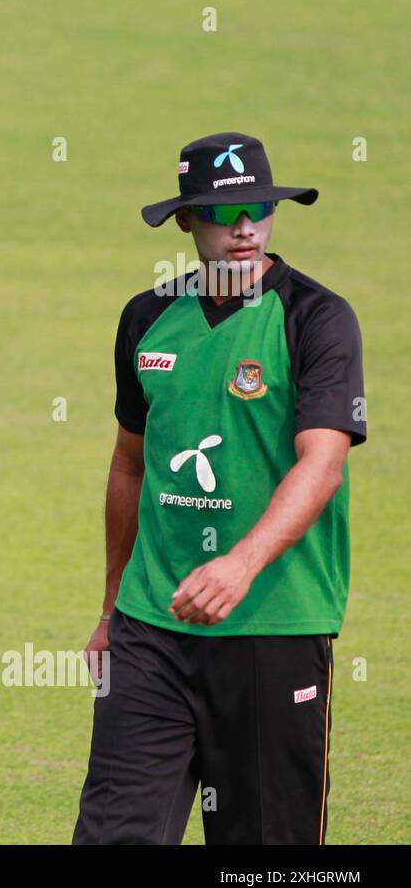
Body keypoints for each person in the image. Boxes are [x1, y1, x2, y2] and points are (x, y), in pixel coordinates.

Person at [74, 133, 366, 844]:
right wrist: (114, 605)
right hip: (152, 630)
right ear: (185, 220)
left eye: (260, 207)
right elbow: (128, 464)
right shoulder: (147, 317)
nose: (244, 227)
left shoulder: (317, 320)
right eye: (221, 211)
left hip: (276, 627)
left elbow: (322, 464)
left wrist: (240, 564)